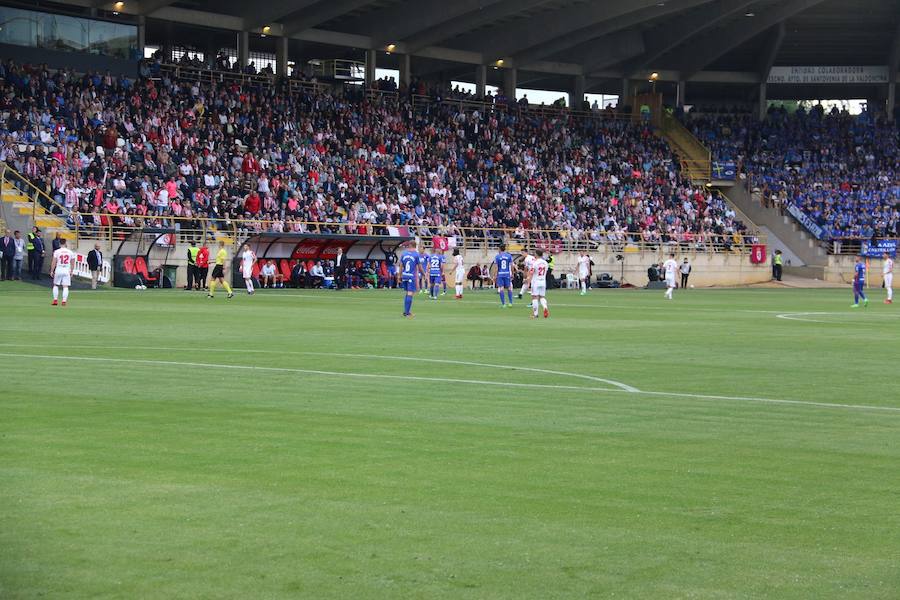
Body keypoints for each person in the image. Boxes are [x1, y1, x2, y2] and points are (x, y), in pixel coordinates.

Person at [399, 242, 424, 318]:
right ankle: (407, 313)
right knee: (410, 293)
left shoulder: (403, 254)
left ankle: (406, 311)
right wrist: (424, 274)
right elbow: (419, 267)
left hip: (404, 276)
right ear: (415, 246)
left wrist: (399, 276)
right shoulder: (416, 255)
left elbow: (400, 266)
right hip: (411, 277)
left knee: (407, 293)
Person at [49, 238, 76, 306]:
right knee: (65, 286)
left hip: (59, 268)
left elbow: (54, 262)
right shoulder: (70, 252)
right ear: (66, 243)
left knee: (55, 285)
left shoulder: (57, 251)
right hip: (66, 269)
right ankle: (64, 301)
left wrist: (52, 270)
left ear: (59, 244)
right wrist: (72, 271)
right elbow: (72, 263)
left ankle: (55, 300)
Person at [530, 249, 550, 319]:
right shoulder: (545, 263)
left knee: (534, 297)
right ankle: (545, 307)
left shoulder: (535, 263)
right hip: (543, 281)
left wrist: (528, 280)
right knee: (542, 297)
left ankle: (535, 314)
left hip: (536, 281)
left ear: (536, 254)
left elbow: (532, 272)